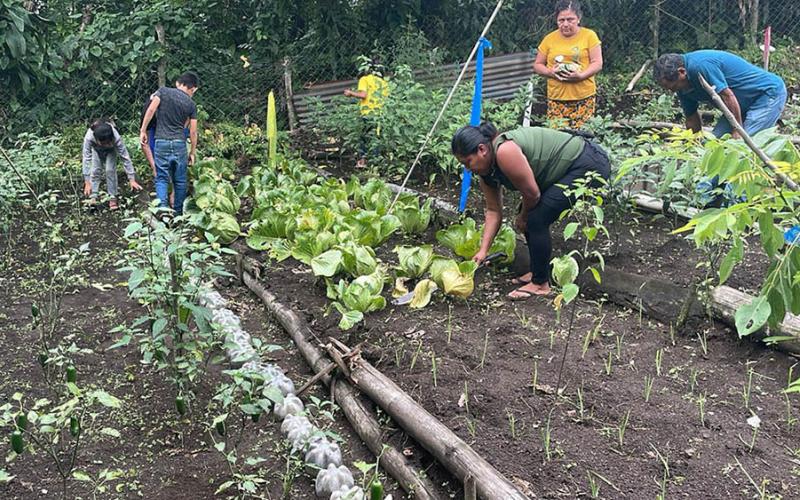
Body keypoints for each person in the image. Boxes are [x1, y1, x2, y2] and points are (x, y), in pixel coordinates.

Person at [451, 122, 610, 300]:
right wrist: (483, 250)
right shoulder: (485, 172)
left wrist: (523, 216)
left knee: (535, 218)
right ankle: (537, 272)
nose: (467, 168)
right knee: (529, 215)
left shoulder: (505, 151)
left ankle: (540, 284)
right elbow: (493, 211)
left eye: (468, 162)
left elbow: (532, 194)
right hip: (569, 167)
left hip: (588, 164)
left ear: (482, 149)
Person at [653, 50, 787, 139]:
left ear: (682, 72)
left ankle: (735, 182)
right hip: (739, 105)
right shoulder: (682, 87)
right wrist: (693, 145)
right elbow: (691, 118)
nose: (672, 91)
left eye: (673, 86)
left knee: (743, 144)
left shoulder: (699, 67)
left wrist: (737, 130)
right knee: (714, 144)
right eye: (668, 88)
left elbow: (727, 96)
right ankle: (706, 183)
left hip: (767, 94)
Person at [533, 0, 603, 129]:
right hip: (557, 97)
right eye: (561, 20)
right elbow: (537, 65)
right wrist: (550, 73)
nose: (565, 24)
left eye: (570, 19)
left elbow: (597, 63)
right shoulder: (549, 39)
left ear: (579, 18)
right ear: (556, 20)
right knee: (557, 139)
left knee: (582, 137)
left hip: (584, 97)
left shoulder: (589, 36)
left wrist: (581, 75)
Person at [139, 72, 199, 215]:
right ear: (193, 88)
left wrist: (143, 130)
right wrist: (192, 152)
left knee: (161, 178)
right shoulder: (191, 104)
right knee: (180, 180)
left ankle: (163, 212)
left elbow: (152, 109)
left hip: (161, 141)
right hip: (179, 143)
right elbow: (193, 132)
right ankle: (178, 213)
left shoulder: (163, 92)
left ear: (179, 83)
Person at [82, 119, 142, 210]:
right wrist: (87, 181)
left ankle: (112, 197)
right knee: (95, 170)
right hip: (96, 149)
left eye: (108, 142)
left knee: (110, 170)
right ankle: (93, 196)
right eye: (104, 143)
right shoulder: (89, 137)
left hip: (111, 150)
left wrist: (131, 179)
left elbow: (125, 157)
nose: (106, 145)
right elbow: (86, 158)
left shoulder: (116, 137)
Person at [343, 58, 388, 167]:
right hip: (380, 114)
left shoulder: (365, 79)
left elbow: (363, 95)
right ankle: (376, 164)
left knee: (364, 139)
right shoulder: (383, 83)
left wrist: (350, 93)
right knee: (375, 138)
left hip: (368, 113)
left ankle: (363, 162)